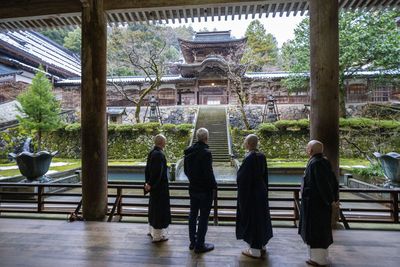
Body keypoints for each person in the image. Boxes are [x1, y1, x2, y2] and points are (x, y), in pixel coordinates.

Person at [299, 140, 339, 266]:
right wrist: (333, 199)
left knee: (316, 231)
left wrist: (330, 201)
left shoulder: (316, 163)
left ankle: (318, 260)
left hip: (316, 206)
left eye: (308, 147)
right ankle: (319, 257)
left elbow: (324, 185)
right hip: (317, 204)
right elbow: (333, 182)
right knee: (319, 231)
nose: (306, 149)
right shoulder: (323, 161)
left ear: (310, 150)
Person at [236, 134, 273, 259]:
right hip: (261, 191)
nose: (244, 143)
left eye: (245, 141)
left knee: (252, 219)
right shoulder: (261, 156)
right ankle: (262, 245)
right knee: (261, 218)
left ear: (248, 144)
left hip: (251, 194)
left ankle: (254, 250)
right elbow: (265, 176)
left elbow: (242, 178)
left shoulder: (249, 158)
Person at [184, 128, 217, 253]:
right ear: (206, 138)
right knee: (203, 217)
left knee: (193, 214)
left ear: (197, 138)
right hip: (205, 190)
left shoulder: (188, 152)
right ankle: (200, 244)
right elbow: (209, 173)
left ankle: (192, 242)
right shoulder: (206, 153)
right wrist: (214, 186)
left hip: (193, 188)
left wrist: (193, 180)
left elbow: (186, 171)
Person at [144, 134, 171, 242]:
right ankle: (158, 236)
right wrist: (151, 183)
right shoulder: (159, 155)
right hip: (160, 188)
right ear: (162, 143)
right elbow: (158, 173)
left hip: (153, 188)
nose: (166, 143)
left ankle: (152, 232)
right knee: (160, 211)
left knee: (153, 209)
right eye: (165, 141)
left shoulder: (152, 153)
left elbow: (147, 170)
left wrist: (147, 183)